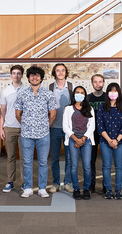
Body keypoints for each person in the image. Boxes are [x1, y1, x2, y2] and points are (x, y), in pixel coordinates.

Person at [14, 65, 57, 198]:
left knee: (43, 162)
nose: (34, 77)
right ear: (28, 78)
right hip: (26, 135)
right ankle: (27, 187)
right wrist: (27, 125)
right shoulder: (22, 94)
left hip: (43, 135)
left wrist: (44, 126)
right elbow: (17, 114)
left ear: (41, 78)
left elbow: (53, 114)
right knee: (27, 162)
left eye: (37, 75)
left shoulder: (48, 94)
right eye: (32, 75)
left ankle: (42, 188)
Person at [97, 83, 122, 199]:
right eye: (111, 91)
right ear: (107, 93)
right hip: (105, 142)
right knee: (106, 166)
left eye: (115, 91)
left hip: (121, 142)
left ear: (119, 93)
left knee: (119, 166)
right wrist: (110, 140)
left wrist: (116, 140)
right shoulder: (102, 107)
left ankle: (118, 190)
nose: (113, 93)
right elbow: (100, 127)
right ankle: (108, 190)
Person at [63, 86, 95, 200]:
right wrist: (76, 139)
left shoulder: (89, 109)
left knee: (87, 166)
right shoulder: (68, 109)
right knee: (74, 165)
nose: (80, 94)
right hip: (73, 140)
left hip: (86, 141)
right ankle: (76, 188)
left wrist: (83, 139)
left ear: (85, 95)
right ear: (74, 95)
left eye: (82, 93)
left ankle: (86, 188)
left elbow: (92, 126)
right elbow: (65, 126)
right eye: (77, 92)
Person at [0, 65, 27, 193]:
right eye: (14, 73)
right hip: (10, 127)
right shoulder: (5, 91)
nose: (16, 76)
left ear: (22, 75)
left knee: (24, 157)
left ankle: (25, 182)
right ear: (11, 75)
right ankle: (10, 182)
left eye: (19, 73)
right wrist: (1, 128)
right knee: (10, 157)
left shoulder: (27, 90)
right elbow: (3, 112)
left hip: (24, 128)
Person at [48, 63, 74, 193]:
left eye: (62, 70)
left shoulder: (71, 87)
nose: (60, 72)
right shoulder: (50, 87)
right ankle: (56, 182)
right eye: (57, 70)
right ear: (54, 73)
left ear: (65, 72)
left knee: (69, 156)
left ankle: (68, 182)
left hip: (68, 128)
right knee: (54, 157)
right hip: (54, 127)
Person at [87, 74, 106, 193]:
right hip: (91, 132)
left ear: (104, 83)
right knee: (91, 159)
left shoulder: (108, 98)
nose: (98, 84)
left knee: (106, 160)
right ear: (92, 83)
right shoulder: (88, 98)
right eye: (95, 82)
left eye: (100, 82)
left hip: (105, 132)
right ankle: (91, 184)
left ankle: (106, 185)